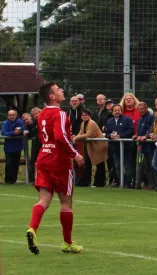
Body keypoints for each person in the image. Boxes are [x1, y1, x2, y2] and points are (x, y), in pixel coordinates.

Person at [26, 82, 85, 255]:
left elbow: (44, 136)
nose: (62, 91)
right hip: (59, 160)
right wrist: (75, 154)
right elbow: (60, 136)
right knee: (66, 203)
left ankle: (32, 229)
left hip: (43, 157)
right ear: (52, 96)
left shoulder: (42, 113)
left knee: (44, 199)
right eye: (58, 89)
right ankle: (67, 243)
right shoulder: (59, 113)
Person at [73, 109, 108, 187]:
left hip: (98, 145)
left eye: (86, 115)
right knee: (88, 163)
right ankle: (85, 182)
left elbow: (88, 134)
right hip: (91, 146)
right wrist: (76, 136)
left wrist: (76, 138)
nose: (84, 116)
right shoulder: (83, 123)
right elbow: (81, 133)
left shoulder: (91, 123)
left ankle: (100, 182)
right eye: (83, 115)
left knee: (99, 164)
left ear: (89, 116)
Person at [1, 110, 26, 184]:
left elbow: (24, 130)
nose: (12, 116)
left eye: (13, 115)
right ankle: (8, 180)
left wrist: (20, 132)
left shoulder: (20, 122)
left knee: (16, 164)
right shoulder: (5, 123)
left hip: (17, 147)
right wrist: (13, 133)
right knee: (9, 163)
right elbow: (4, 132)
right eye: (10, 115)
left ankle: (13, 180)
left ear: (16, 115)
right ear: (7, 116)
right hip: (8, 148)